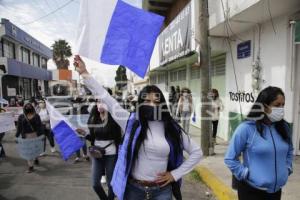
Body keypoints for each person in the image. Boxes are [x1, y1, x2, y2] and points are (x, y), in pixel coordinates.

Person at [74, 55, 202, 200]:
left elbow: (197, 153)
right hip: (133, 191)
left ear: (162, 105)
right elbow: (106, 98)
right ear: (140, 103)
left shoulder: (172, 128)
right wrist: (84, 72)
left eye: (156, 101)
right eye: (147, 101)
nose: (152, 105)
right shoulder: (131, 122)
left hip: (162, 192)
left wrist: (175, 174)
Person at [224, 86, 294, 200]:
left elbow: (290, 151)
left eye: (283, 105)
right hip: (252, 191)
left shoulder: (284, 128)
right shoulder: (246, 129)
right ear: (264, 107)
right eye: (277, 105)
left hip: (276, 191)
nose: (281, 109)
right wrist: (245, 174)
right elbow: (230, 158)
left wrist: (288, 168)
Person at [78, 93, 122, 200]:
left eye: (102, 102)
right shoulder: (94, 118)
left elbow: (119, 138)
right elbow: (93, 138)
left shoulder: (114, 119)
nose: (99, 104)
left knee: (110, 182)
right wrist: (84, 134)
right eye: (98, 101)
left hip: (111, 154)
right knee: (95, 184)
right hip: (97, 153)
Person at [15, 103, 44, 173]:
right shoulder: (21, 116)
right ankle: (31, 166)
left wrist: (42, 135)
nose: (28, 108)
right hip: (25, 136)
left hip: (35, 135)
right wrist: (16, 136)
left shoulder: (36, 116)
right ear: (24, 108)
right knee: (28, 151)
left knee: (35, 149)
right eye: (26, 107)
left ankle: (36, 158)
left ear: (32, 108)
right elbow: (19, 127)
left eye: (29, 106)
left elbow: (40, 126)